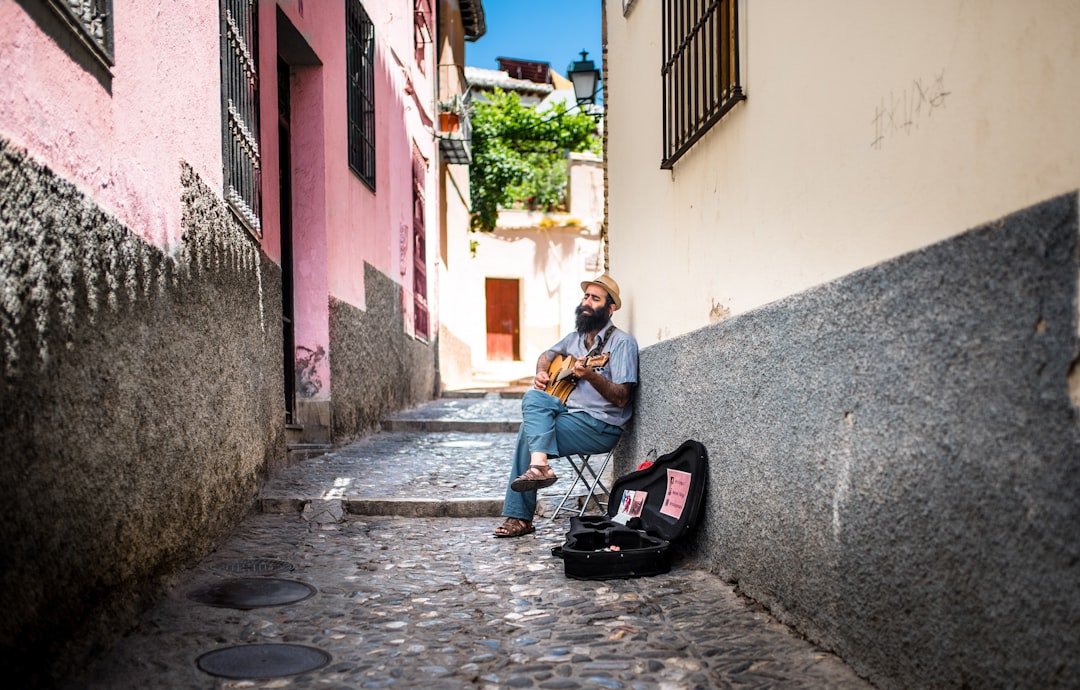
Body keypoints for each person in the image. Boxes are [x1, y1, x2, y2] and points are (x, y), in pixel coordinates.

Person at [493, 274, 639, 538]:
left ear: (610, 308)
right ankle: (540, 466)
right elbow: (546, 356)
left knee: (528, 431)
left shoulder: (622, 344)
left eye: (595, 298)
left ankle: (521, 514)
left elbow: (622, 398)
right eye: (586, 296)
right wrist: (541, 373)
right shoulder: (575, 338)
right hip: (568, 415)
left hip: (600, 426)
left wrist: (591, 375)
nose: (586, 302)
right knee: (534, 397)